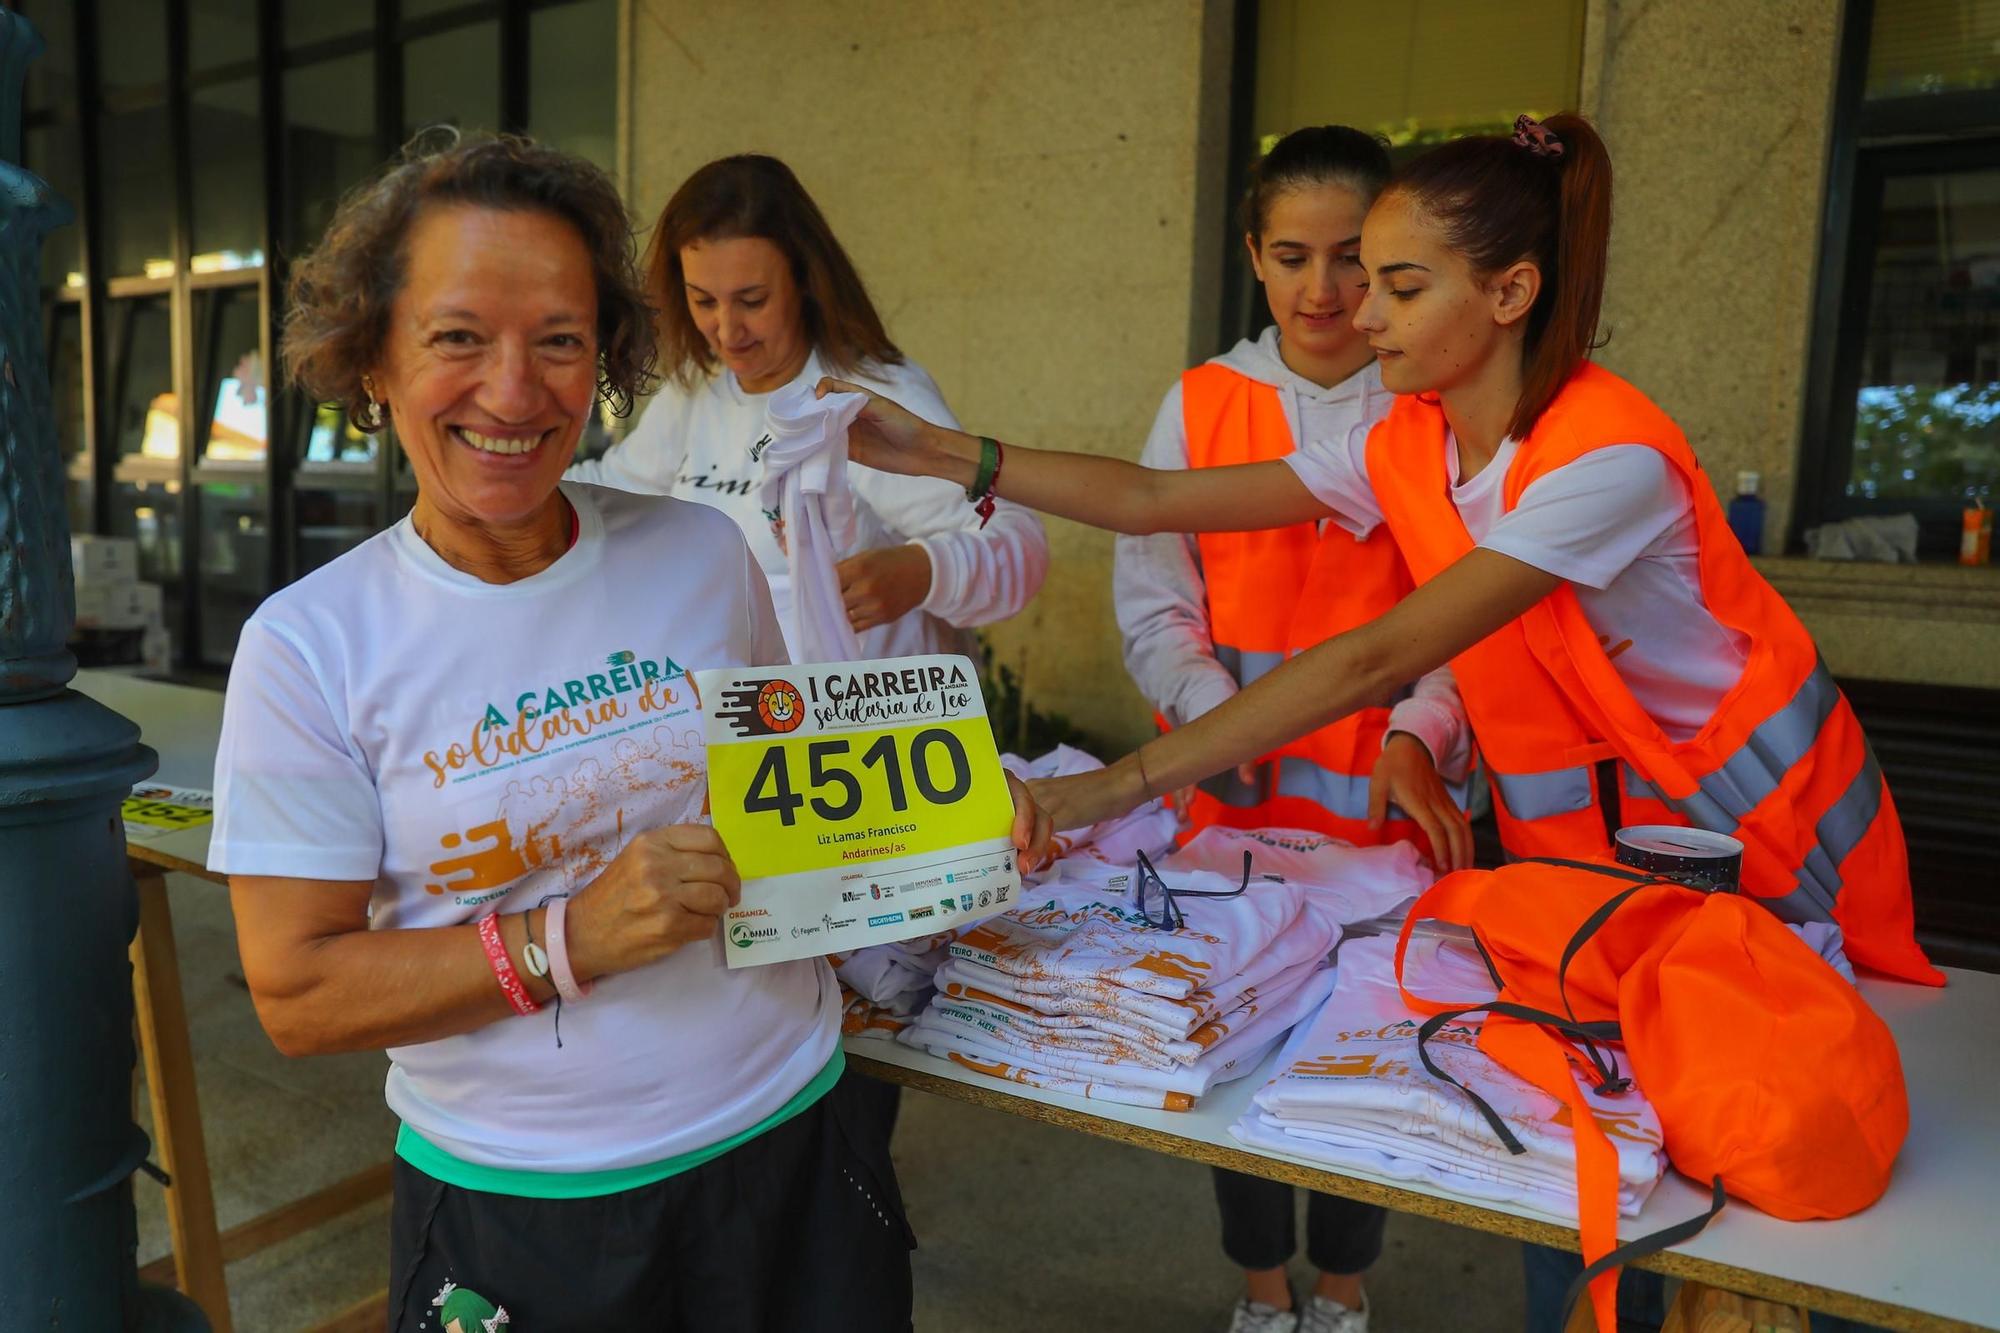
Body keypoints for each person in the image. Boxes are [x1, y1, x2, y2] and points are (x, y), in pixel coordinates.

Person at [820, 111, 1937, 1331]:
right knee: (1585, 1167)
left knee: (1770, 1195)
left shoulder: (1599, 460)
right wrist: (943, 452)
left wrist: (1106, 787)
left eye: (1396, 284)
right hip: (1590, 874)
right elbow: (1150, 502)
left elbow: (1376, 658)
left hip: (1765, 860)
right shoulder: (1403, 437)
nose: (1360, 313)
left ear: (1510, 291)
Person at [208, 133, 1049, 1331]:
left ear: (602, 358)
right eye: (457, 338)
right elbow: (298, 994)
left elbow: (793, 806)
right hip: (531, 1213)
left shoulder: (696, 553)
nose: (513, 391)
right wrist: (568, 939)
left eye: (558, 340)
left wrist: (944, 824)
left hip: (797, 1156)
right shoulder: (311, 645)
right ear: (373, 361)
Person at [1115, 125, 1472, 1333]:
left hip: (1385, 814)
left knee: (1374, 1054)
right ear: (1252, 260)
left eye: (1348, 260)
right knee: (1241, 1053)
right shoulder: (1203, 402)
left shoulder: (1430, 403)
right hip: (1235, 809)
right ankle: (1263, 1292)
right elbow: (1155, 599)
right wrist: (1214, 715)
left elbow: (1472, 624)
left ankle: (1345, 1289)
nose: (1322, 291)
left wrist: (1417, 728)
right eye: (1289, 256)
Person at [566, 153, 1047, 661]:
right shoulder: (695, 393)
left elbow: (1017, 542)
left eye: (752, 301)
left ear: (804, 280)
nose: (728, 331)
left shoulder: (866, 397)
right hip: (741, 718)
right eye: (703, 301)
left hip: (865, 725)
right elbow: (617, 490)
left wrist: (925, 571)